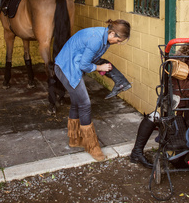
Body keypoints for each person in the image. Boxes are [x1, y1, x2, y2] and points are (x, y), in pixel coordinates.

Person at [54, 19, 131, 161]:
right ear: (112, 33)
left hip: (70, 65)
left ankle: (74, 139)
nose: (119, 43)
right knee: (85, 104)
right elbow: (84, 65)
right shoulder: (96, 39)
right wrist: (99, 68)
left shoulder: (104, 39)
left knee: (77, 103)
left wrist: (100, 65)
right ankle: (92, 147)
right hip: (66, 68)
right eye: (119, 40)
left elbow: (88, 58)